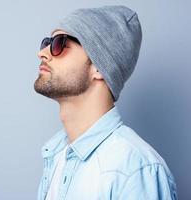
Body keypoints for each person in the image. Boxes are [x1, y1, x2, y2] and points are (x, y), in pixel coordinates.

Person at [33, 5, 177, 200]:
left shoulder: (135, 168)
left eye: (59, 43)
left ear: (99, 68)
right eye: (46, 42)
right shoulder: (56, 154)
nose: (42, 53)